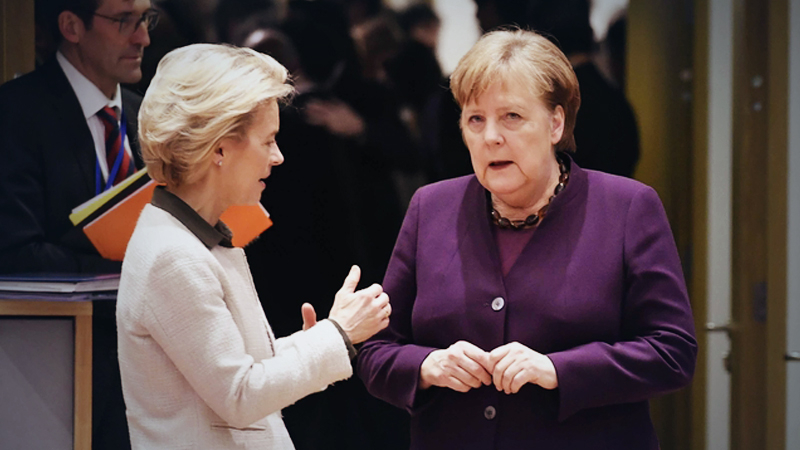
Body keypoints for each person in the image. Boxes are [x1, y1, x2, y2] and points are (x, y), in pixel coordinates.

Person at [357, 29, 697, 449]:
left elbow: (672, 352)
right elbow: (376, 353)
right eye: (475, 119)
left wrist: (558, 370)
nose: (491, 137)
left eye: (512, 117)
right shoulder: (431, 207)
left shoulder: (628, 207)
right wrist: (428, 365)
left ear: (555, 123)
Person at [116, 43, 391, 449]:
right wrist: (339, 334)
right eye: (268, 141)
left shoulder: (197, 236)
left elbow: (237, 369)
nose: (278, 157)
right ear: (221, 148)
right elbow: (240, 395)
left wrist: (316, 341)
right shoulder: (173, 255)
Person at [0, 1, 156, 448]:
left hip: (144, 372)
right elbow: (13, 252)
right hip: (46, 369)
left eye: (146, 19)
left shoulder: (147, 116)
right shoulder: (16, 113)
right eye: (124, 20)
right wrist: (128, 270)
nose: (142, 36)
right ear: (71, 25)